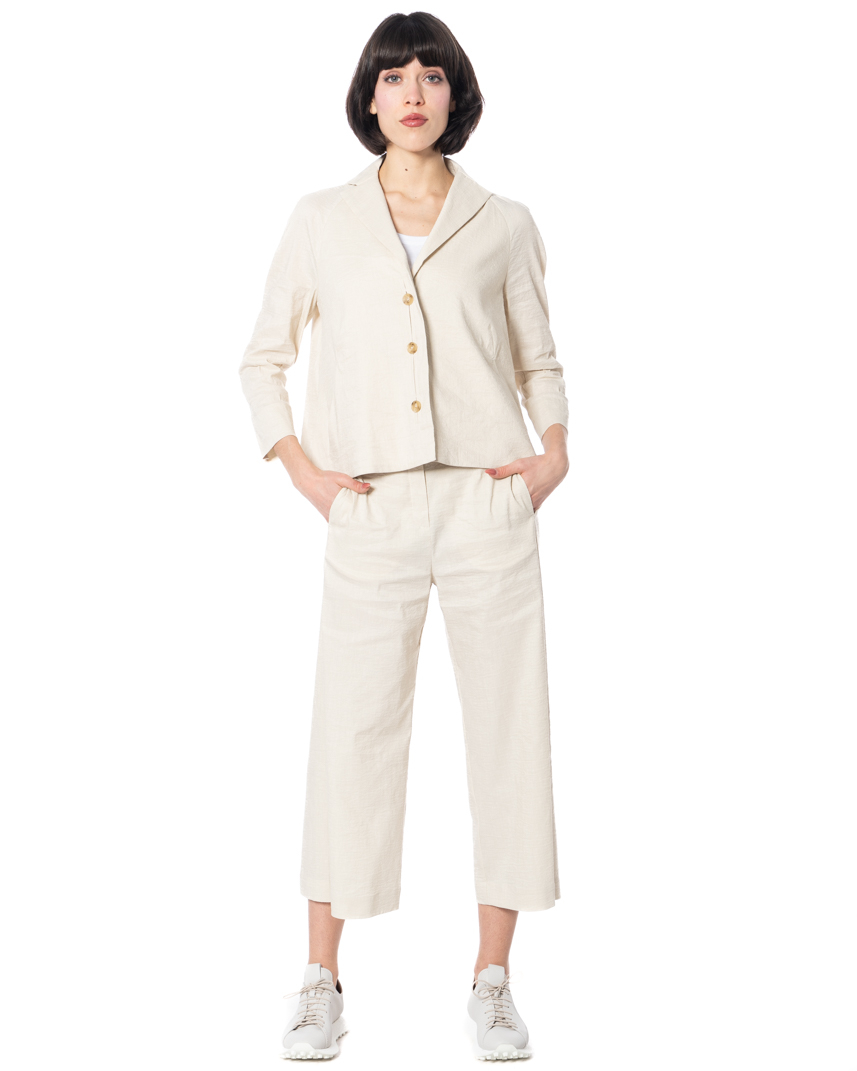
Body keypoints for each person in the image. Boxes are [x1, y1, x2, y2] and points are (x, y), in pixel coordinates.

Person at [238, 11, 569, 1061]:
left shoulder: (502, 222)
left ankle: (492, 980)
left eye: (430, 75)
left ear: (453, 93)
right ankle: (319, 980)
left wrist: (552, 455)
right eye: (393, 77)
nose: (412, 93)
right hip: (368, 507)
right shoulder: (321, 220)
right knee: (351, 734)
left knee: (507, 734)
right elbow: (261, 359)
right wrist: (305, 475)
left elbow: (537, 357)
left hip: (485, 503)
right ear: (368, 96)